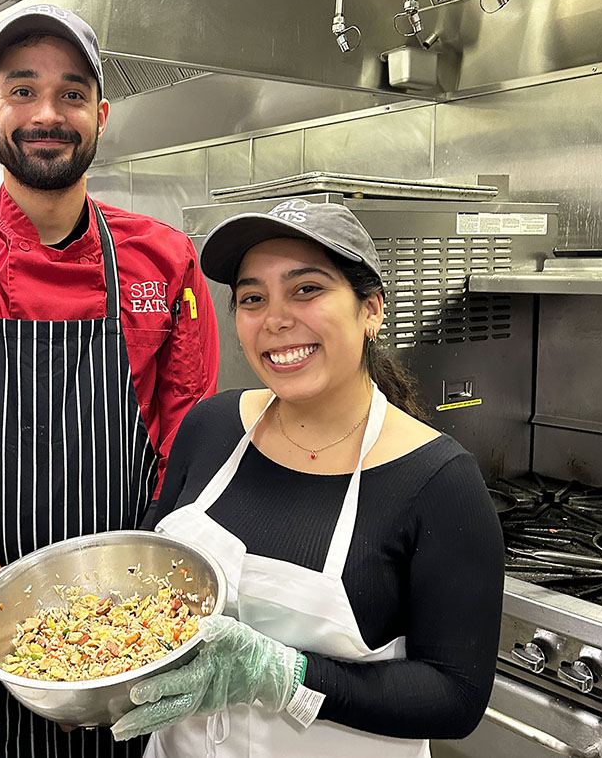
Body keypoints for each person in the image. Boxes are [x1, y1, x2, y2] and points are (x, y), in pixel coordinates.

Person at [0, 4, 219, 758]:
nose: (46, 114)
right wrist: (21, 635)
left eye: (70, 93)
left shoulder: (165, 261)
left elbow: (184, 449)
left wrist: (127, 635)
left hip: (135, 636)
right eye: (22, 89)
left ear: (100, 113)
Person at [111, 198, 506, 757]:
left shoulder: (439, 482)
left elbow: (455, 696)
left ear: (372, 309)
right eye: (253, 298)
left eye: (307, 290)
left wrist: (285, 674)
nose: (275, 319)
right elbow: (151, 575)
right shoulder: (211, 426)